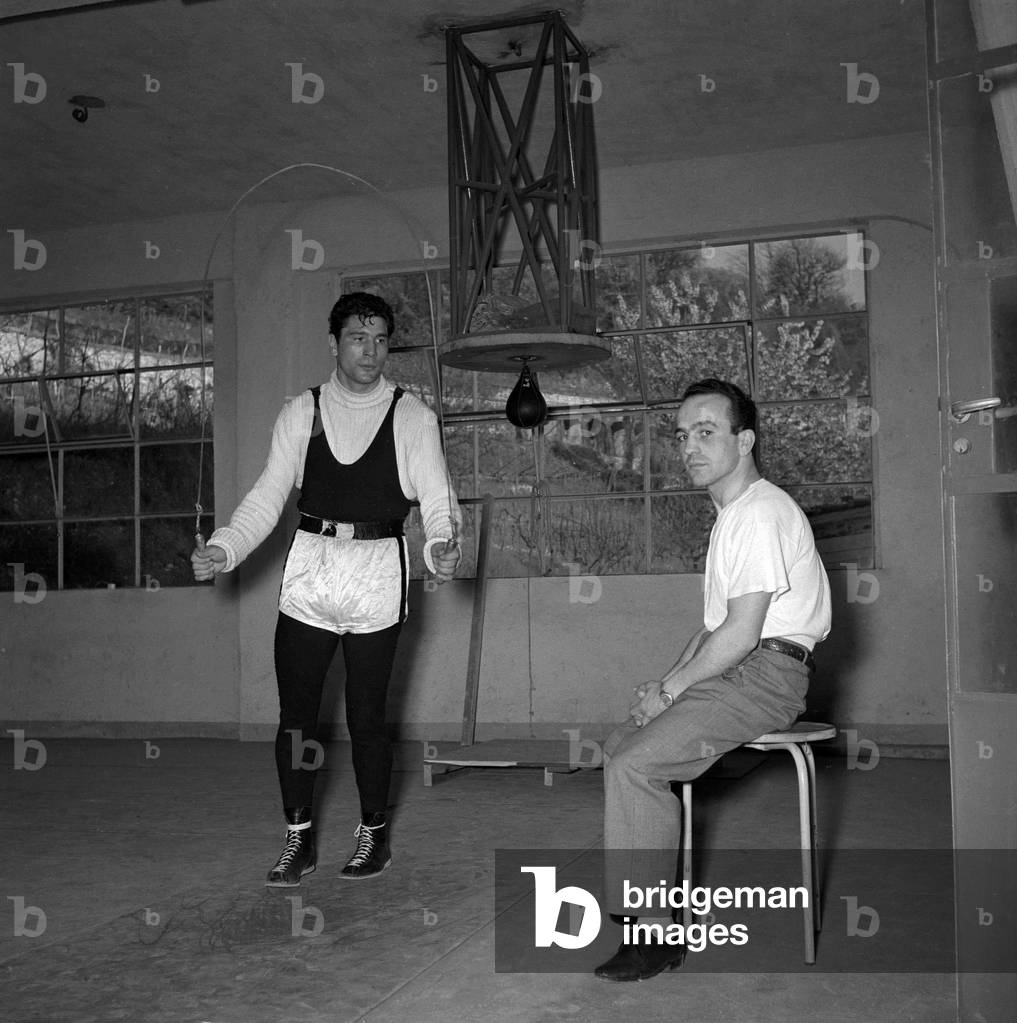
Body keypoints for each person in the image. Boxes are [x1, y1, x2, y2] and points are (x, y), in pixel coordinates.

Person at [191, 292, 461, 887]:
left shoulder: (413, 415)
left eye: (382, 339)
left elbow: (437, 498)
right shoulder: (300, 412)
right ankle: (299, 838)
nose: (371, 350)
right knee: (296, 716)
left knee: (367, 716)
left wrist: (439, 541)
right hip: (310, 570)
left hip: (377, 574)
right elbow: (267, 496)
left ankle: (373, 834)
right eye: (359, 338)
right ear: (334, 342)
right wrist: (226, 548)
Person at [596, 378, 831, 982]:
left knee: (636, 765)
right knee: (622, 748)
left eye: (706, 432)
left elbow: (742, 634)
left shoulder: (759, 511)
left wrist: (674, 690)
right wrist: (661, 687)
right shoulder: (733, 515)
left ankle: (652, 937)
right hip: (739, 666)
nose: (689, 447)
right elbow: (711, 633)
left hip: (766, 674)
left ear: (744, 439)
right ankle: (653, 916)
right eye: (681, 435)